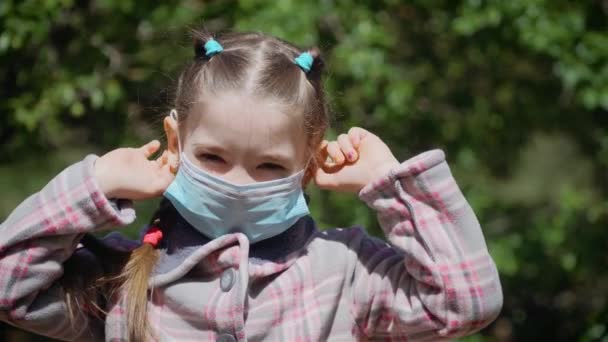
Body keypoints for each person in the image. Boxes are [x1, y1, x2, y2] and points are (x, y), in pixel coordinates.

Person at [0, 30, 502, 341]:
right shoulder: (123, 277)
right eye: (213, 157)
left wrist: (392, 186)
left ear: (310, 162)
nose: (238, 184)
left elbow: (465, 304)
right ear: (175, 143)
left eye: (268, 166)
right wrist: (96, 185)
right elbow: (10, 288)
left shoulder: (348, 273)